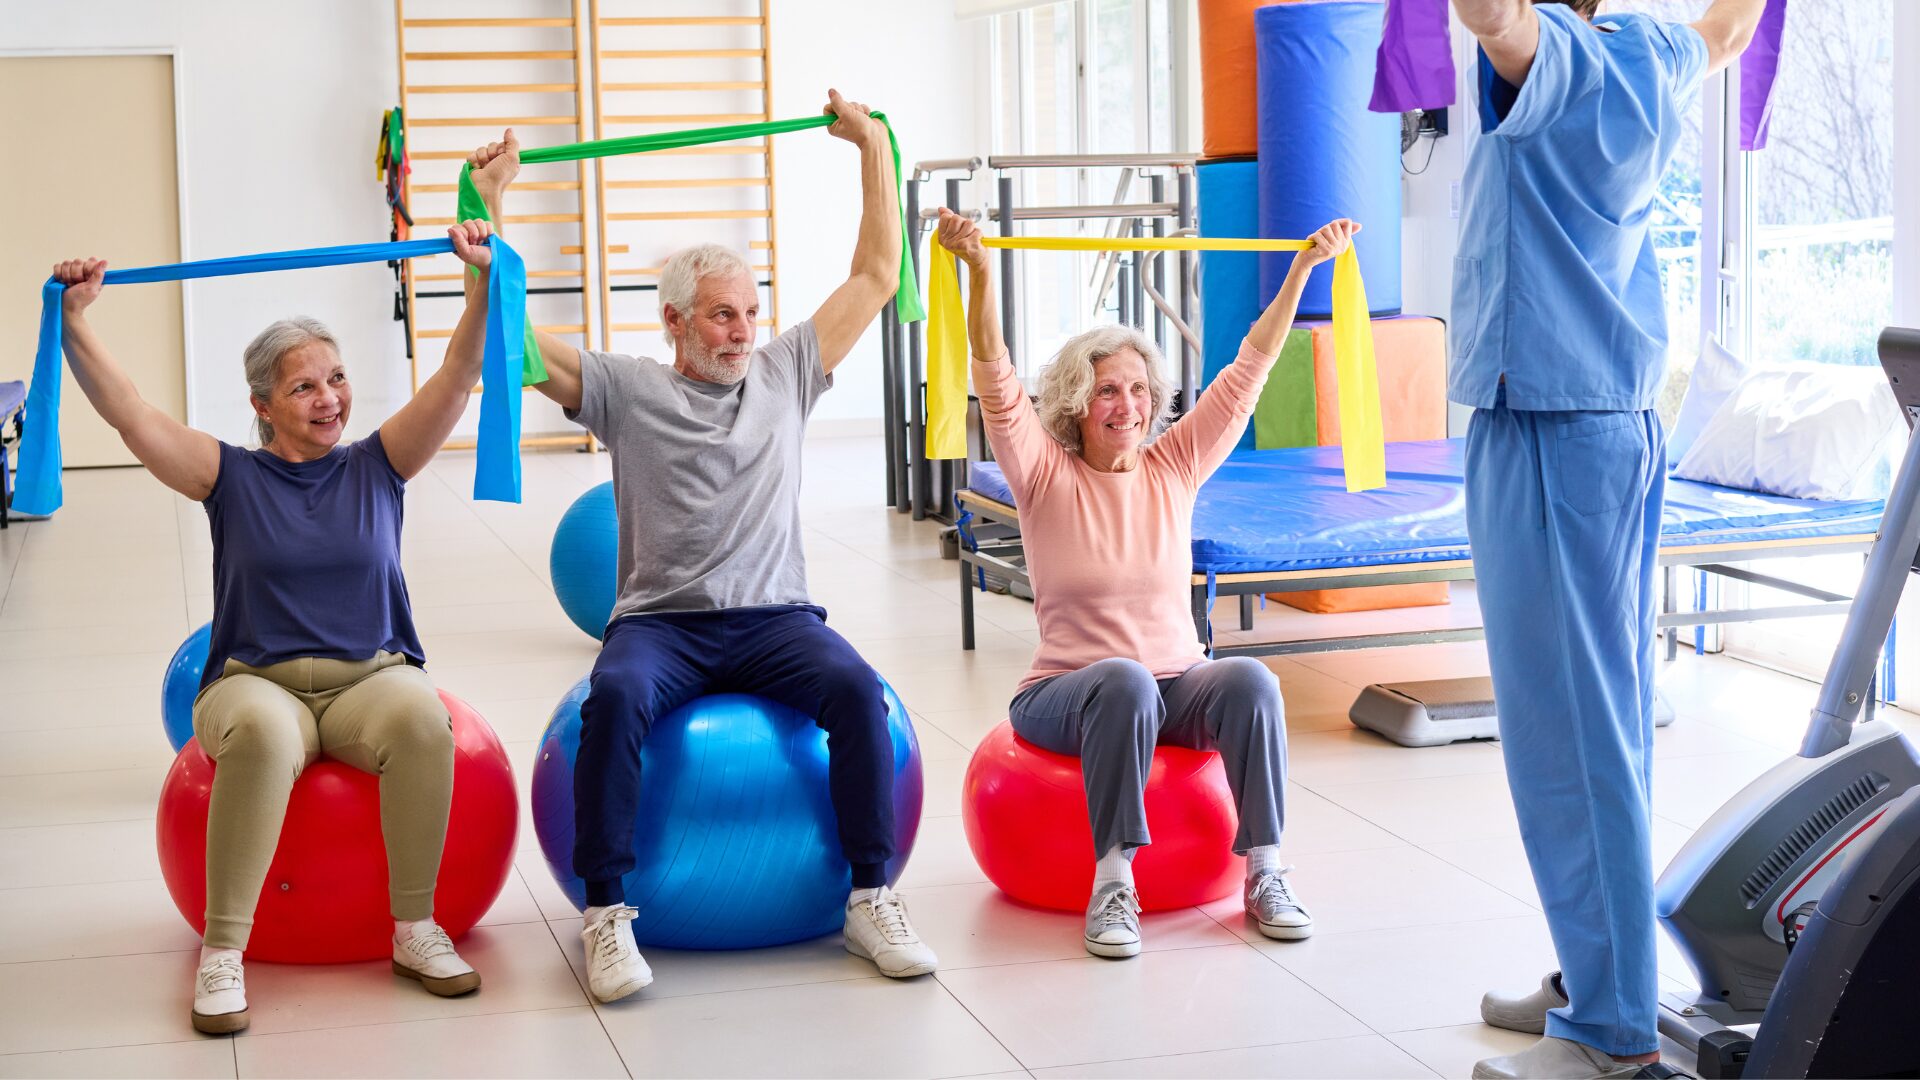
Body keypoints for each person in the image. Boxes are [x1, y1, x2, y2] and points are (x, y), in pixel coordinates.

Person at [470, 90, 936, 1003]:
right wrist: (488, 206)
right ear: (675, 322)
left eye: (750, 312)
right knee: (613, 696)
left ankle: (871, 897)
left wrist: (871, 146)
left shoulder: (786, 371)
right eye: (722, 316)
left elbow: (879, 273)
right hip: (664, 624)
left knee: (855, 691)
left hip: (775, 620)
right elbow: (515, 333)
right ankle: (607, 915)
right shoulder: (625, 389)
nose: (743, 331)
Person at [51, 151, 517, 1035]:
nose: (328, 397)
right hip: (252, 681)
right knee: (263, 736)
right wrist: (77, 323)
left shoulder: (380, 464)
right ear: (262, 404)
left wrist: (484, 277)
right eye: (303, 385)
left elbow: (460, 374)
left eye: (336, 378)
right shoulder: (227, 474)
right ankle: (223, 955)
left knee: (426, 718)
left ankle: (415, 929)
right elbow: (132, 414)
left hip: (366, 680)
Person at [1443, 1, 1768, 1076]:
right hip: (1608, 420)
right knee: (1601, 726)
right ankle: (1599, 974)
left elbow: (1491, 14)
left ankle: (1615, 1024)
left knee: (1568, 741)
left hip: (1547, 419)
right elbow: (1726, 34)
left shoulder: (1552, 48)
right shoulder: (1651, 45)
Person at [936, 207, 1359, 957]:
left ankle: (1265, 870)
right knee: (1125, 681)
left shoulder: (1175, 465)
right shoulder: (1042, 472)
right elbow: (995, 377)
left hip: (1174, 683)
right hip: (1065, 694)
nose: (1126, 407)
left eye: (1137, 390)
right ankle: (1113, 884)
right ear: (1075, 402)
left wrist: (1302, 270)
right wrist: (977, 269)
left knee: (1252, 681)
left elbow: (1249, 370)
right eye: (1106, 391)